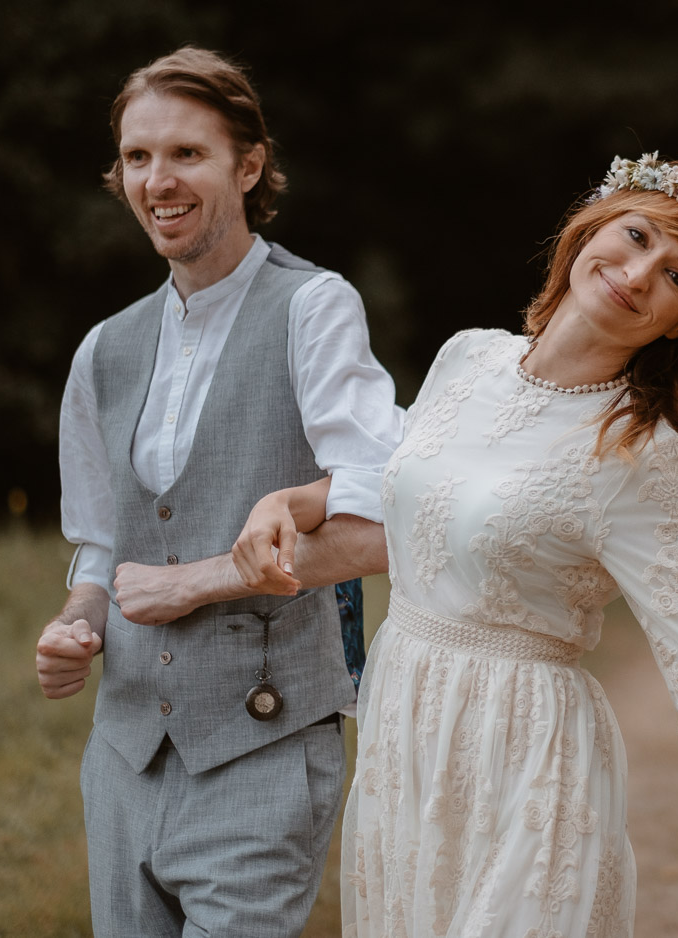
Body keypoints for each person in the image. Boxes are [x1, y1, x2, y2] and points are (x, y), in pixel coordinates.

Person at [237, 153, 678, 937]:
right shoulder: (466, 357)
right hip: (406, 736)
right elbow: (415, 492)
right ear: (591, 228)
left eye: (677, 277)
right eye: (636, 237)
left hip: (529, 759)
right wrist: (287, 502)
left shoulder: (645, 454)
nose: (638, 274)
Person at [33, 47, 402, 936]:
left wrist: (199, 580)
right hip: (121, 758)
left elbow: (382, 514)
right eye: (137, 157)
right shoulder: (102, 351)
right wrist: (76, 623)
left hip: (263, 749)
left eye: (187, 154)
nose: (158, 180)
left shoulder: (314, 307)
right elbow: (99, 544)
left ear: (249, 164)